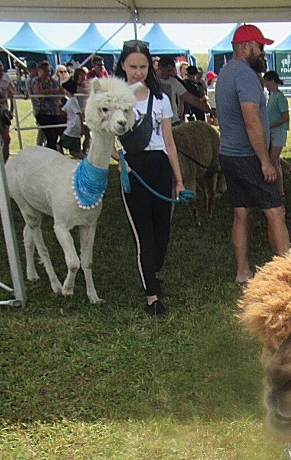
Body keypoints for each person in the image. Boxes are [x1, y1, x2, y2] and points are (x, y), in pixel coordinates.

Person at [114, 40, 186, 318]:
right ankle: (152, 296)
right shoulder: (115, 100)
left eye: (143, 66)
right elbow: (102, 137)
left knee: (162, 234)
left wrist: (179, 180)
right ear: (123, 65)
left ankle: (152, 275)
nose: (137, 72)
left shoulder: (161, 99)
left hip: (160, 168)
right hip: (134, 168)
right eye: (132, 66)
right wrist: (119, 160)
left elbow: (169, 141)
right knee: (144, 235)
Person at [216, 24, 290, 284]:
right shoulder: (246, 76)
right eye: (260, 47)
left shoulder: (225, 73)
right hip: (248, 158)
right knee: (275, 212)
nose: (262, 53)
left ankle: (242, 271)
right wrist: (265, 161)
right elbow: (252, 122)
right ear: (245, 46)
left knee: (241, 212)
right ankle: (288, 277)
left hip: (228, 154)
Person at [156, 55, 211, 126]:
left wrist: (209, 110)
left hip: (173, 121)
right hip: (158, 121)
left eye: (172, 70)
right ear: (160, 68)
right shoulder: (152, 82)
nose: (171, 73)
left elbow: (189, 98)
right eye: (169, 70)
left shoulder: (174, 82)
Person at [263, 70, 291, 197]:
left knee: (274, 161)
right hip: (272, 132)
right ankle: (276, 187)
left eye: (266, 81)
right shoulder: (272, 97)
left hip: (278, 132)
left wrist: (270, 125)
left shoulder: (280, 98)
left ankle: (280, 191)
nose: (265, 84)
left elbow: (285, 117)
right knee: (273, 158)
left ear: (272, 81)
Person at [32, 60, 65, 151]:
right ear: (40, 70)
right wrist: (53, 92)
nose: (48, 73)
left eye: (49, 71)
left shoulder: (53, 81)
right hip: (43, 113)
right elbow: (38, 92)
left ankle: (50, 154)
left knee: (55, 137)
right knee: (50, 136)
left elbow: (61, 90)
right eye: (45, 71)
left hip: (54, 112)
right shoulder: (36, 81)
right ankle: (48, 154)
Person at [59, 79, 84, 159]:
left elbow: (79, 114)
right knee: (74, 152)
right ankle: (87, 161)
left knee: (59, 145)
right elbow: (63, 112)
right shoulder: (71, 100)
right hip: (75, 127)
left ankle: (61, 160)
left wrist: (82, 128)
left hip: (72, 128)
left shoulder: (72, 101)